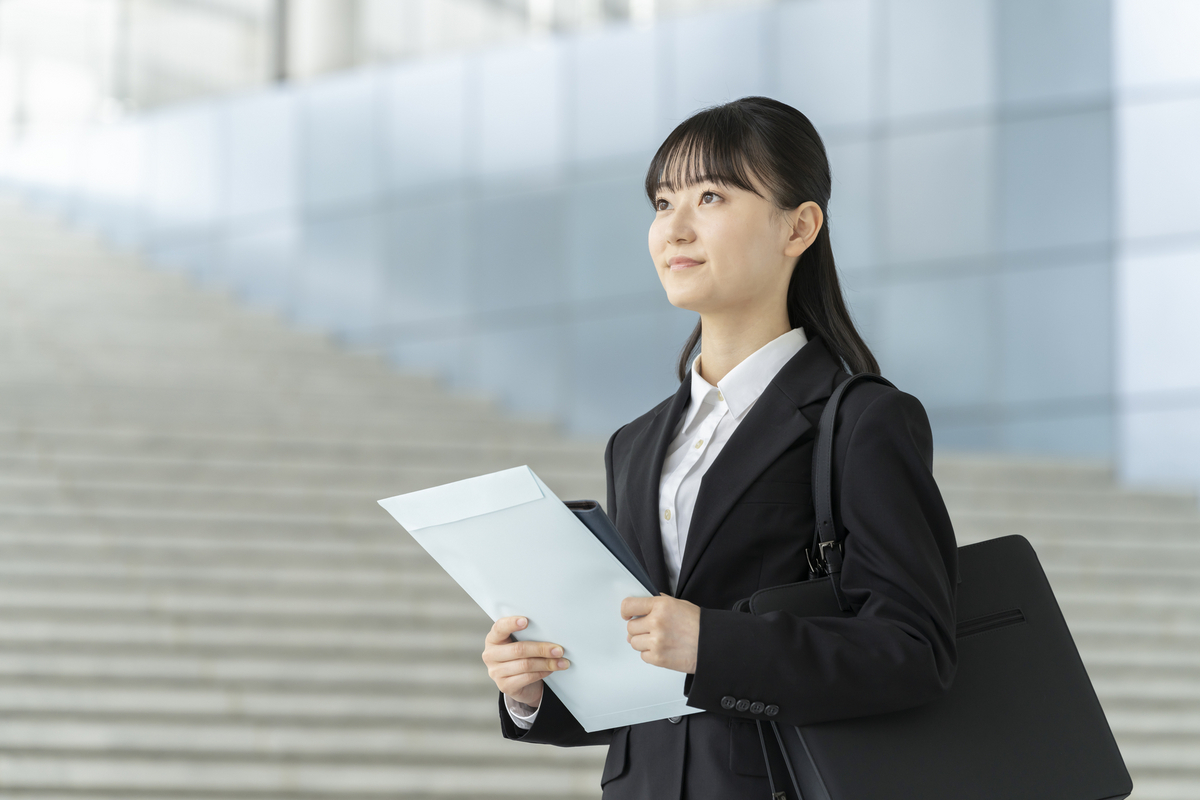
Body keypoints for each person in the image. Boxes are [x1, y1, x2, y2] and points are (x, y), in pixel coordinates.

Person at [481, 96, 958, 799]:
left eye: (710, 196)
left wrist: (714, 643)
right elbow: (644, 677)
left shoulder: (861, 421)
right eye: (662, 200)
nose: (674, 226)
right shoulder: (636, 444)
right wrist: (535, 684)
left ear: (799, 227)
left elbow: (914, 653)